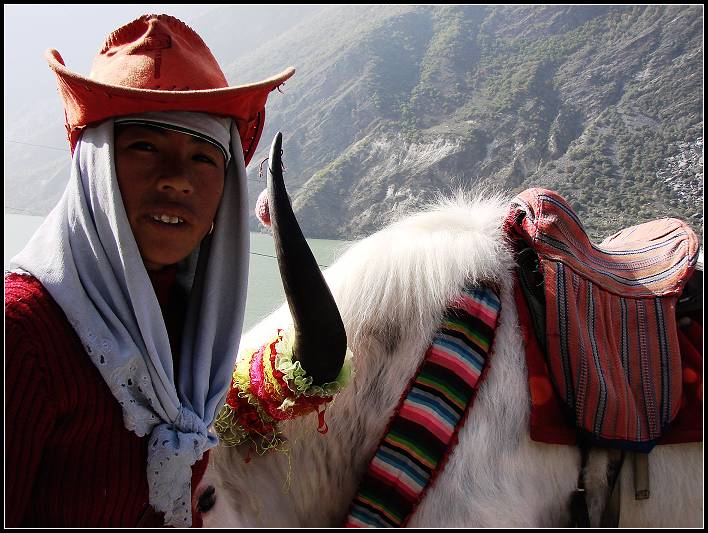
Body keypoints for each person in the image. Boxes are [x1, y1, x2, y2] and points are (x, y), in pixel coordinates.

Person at [5, 13, 297, 527]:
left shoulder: (194, 335)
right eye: (144, 146)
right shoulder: (22, 335)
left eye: (205, 157)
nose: (178, 179)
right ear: (94, 171)